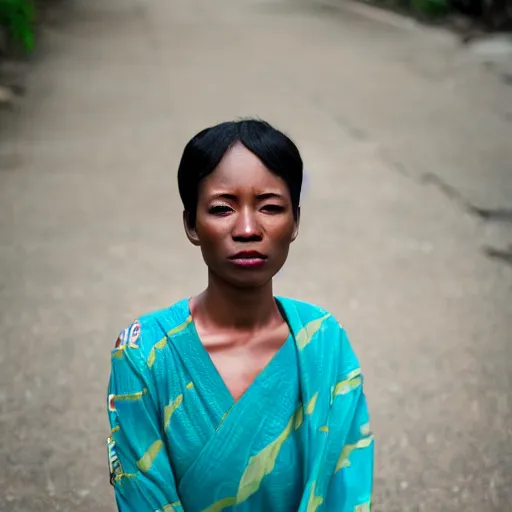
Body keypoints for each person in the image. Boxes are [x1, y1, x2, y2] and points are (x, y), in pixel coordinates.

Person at [106, 119, 374, 512]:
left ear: (295, 222)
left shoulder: (325, 343)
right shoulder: (143, 352)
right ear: (191, 225)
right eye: (221, 208)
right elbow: (142, 498)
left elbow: (346, 493)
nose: (248, 228)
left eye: (270, 207)